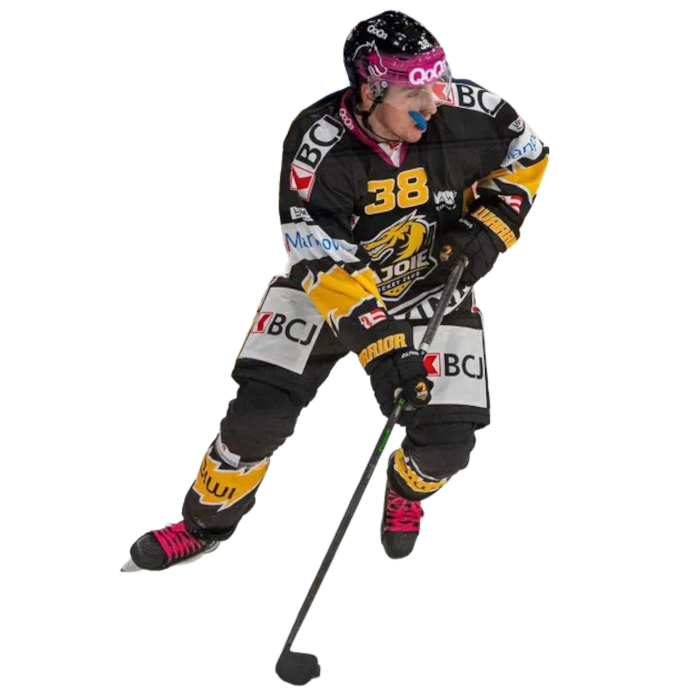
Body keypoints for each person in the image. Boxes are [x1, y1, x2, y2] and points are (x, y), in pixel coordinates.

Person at [120, 8, 550, 573]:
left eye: (437, 84)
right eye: (414, 94)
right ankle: (204, 524)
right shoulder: (316, 143)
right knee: (257, 418)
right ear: (370, 91)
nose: (432, 105)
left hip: (429, 283)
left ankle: (406, 489)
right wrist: (385, 350)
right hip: (328, 291)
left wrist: (488, 229)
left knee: (449, 446)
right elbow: (322, 259)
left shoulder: (471, 109)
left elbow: (529, 155)